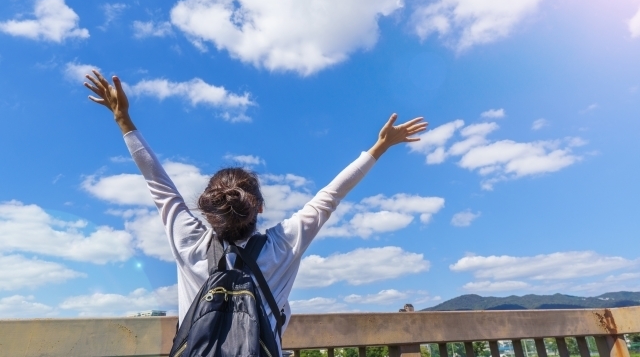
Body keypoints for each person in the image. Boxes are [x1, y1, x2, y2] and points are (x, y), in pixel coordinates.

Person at [84, 69, 427, 350]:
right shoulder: (283, 245)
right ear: (259, 205)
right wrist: (379, 147)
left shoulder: (189, 240)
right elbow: (330, 196)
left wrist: (123, 120)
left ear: (207, 209)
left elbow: (157, 182)